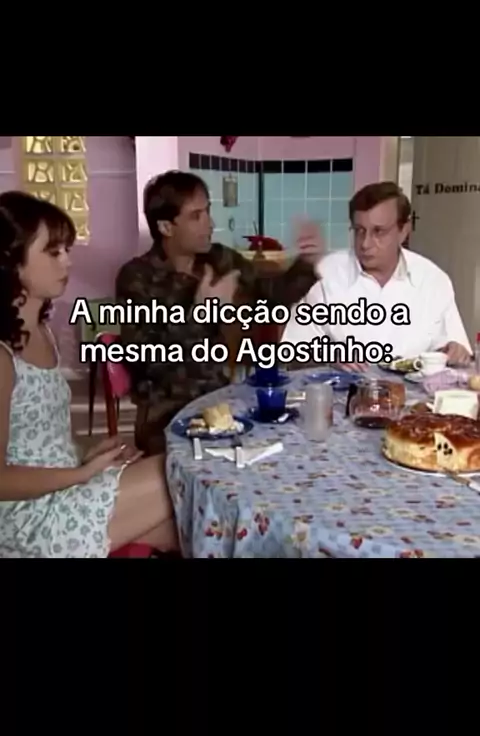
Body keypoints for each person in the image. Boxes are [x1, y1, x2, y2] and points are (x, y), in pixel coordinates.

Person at [0, 191, 178, 558]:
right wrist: (80, 475)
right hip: (29, 518)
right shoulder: (1, 356)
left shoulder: (42, 332)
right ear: (11, 262)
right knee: (177, 471)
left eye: (66, 249)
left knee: (186, 525)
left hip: (62, 489)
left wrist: (88, 453)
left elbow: (38, 439)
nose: (68, 260)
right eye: (53, 252)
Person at [116, 170, 323, 455]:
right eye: (196, 216)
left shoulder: (219, 258)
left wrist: (306, 264)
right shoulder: (136, 277)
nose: (210, 223)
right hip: (164, 412)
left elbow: (271, 295)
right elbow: (143, 359)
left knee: (282, 444)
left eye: (208, 211)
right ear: (166, 227)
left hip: (221, 398)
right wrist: (200, 315)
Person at [281, 181, 471, 369]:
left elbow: (458, 351)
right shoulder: (327, 276)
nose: (365, 244)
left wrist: (456, 352)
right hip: (344, 388)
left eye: (378, 232)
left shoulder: (434, 281)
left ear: (404, 230)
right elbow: (292, 353)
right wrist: (329, 358)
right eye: (359, 231)